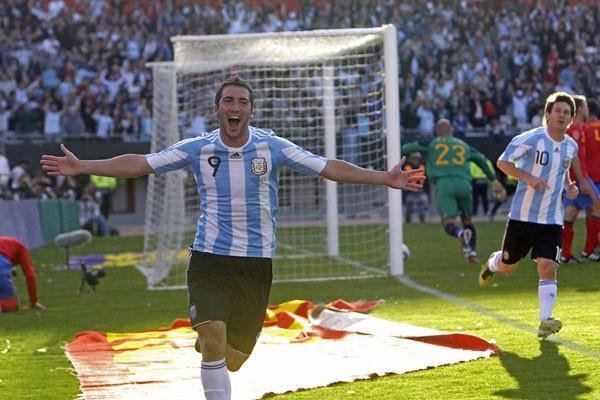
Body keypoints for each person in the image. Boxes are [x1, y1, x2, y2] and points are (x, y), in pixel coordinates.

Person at [41, 76, 424, 400]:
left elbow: (328, 168)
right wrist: (83, 166)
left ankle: (211, 343)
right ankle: (209, 336)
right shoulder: (199, 148)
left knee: (234, 358)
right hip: (209, 259)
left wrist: (384, 178)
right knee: (213, 339)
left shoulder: (272, 147)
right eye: (228, 100)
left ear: (250, 111)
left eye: (242, 101)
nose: (234, 106)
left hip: (255, 264)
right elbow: (142, 163)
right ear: (217, 109)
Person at [478, 91, 594, 339]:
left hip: (551, 219)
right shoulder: (531, 139)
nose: (562, 116)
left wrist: (570, 188)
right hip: (522, 216)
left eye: (567, 112)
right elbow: (503, 162)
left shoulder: (570, 147)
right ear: (548, 114)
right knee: (508, 268)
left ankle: (545, 321)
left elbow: (564, 174)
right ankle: (492, 263)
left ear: (571, 118)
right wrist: (528, 177)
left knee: (548, 266)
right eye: (558, 111)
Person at [402, 118, 499, 263]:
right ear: (451, 131)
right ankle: (472, 254)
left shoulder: (431, 143)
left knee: (449, 222)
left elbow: (406, 148)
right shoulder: (464, 145)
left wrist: (414, 154)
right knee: (467, 220)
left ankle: (460, 234)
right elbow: (481, 160)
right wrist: (493, 180)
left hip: (445, 184)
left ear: (437, 131)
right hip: (464, 184)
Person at [560, 95, 599, 263]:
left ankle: (564, 253)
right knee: (597, 206)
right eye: (584, 106)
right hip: (580, 177)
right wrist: (582, 180)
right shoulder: (575, 129)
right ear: (581, 108)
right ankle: (589, 250)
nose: (586, 110)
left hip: (578, 177)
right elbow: (574, 157)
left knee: (571, 212)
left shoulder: (579, 128)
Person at [0, 236, 45, 313]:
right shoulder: (21, 248)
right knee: (12, 305)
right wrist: (34, 301)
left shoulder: (7, 245)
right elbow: (30, 276)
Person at [581, 98, 600, 259]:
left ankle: (591, 248)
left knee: (591, 212)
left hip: (588, 176)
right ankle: (590, 248)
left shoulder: (583, 129)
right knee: (596, 212)